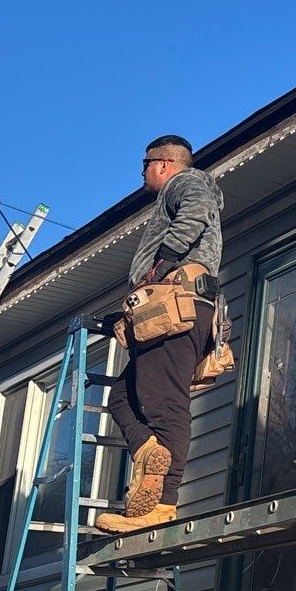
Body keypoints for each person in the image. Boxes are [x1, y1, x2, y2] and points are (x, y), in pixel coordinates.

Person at [94, 135, 224, 534]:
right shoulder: (179, 188)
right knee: (122, 396)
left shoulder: (187, 183)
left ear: (163, 164)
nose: (142, 173)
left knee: (165, 404)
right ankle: (151, 453)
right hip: (170, 307)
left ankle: (163, 503)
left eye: (145, 165)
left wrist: (163, 260)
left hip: (177, 306)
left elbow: (197, 211)